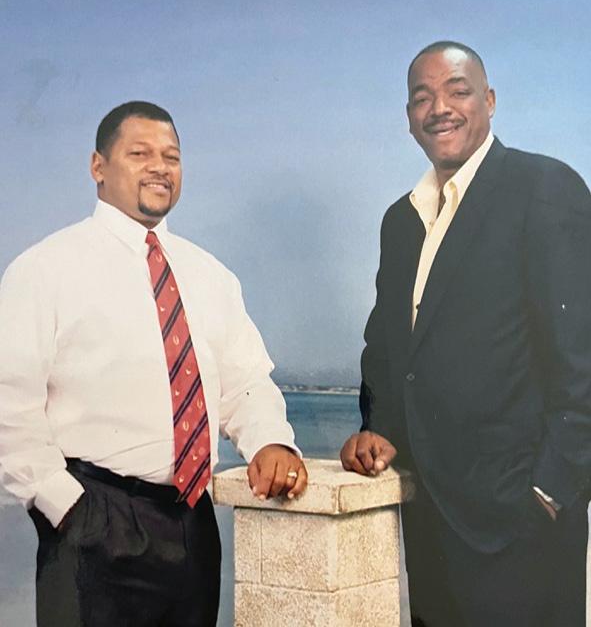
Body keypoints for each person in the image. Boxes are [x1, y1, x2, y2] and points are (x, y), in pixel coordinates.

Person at [0, 101, 307, 627]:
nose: (159, 167)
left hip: (193, 526)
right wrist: (64, 507)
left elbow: (246, 383)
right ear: (98, 166)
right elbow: (9, 400)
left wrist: (271, 442)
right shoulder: (45, 269)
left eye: (171, 156)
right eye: (139, 153)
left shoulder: (211, 276)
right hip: (93, 523)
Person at [340, 41, 591, 627]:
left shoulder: (543, 187)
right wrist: (379, 428)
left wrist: (549, 491)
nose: (439, 109)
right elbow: (389, 351)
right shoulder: (401, 220)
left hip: (522, 527)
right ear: (409, 117)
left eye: (457, 91)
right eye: (422, 98)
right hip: (430, 522)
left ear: (490, 100)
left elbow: (581, 357)